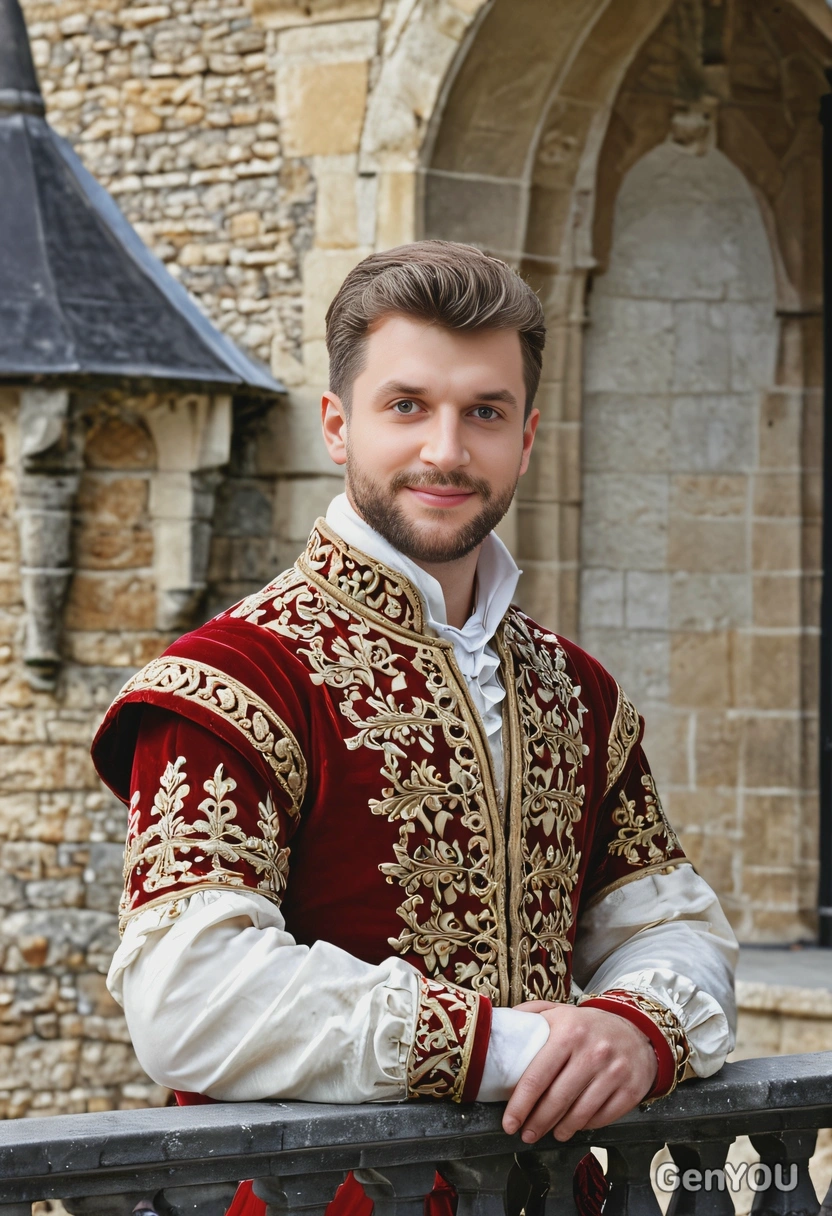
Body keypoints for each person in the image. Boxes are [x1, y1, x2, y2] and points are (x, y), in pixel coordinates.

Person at [91, 240, 737, 1216]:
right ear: (337, 426)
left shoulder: (576, 693)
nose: (445, 449)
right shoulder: (233, 677)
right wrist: (509, 1048)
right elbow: (189, 994)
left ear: (526, 437)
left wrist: (635, 1027)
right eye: (407, 407)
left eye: (483, 411)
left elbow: (670, 924)